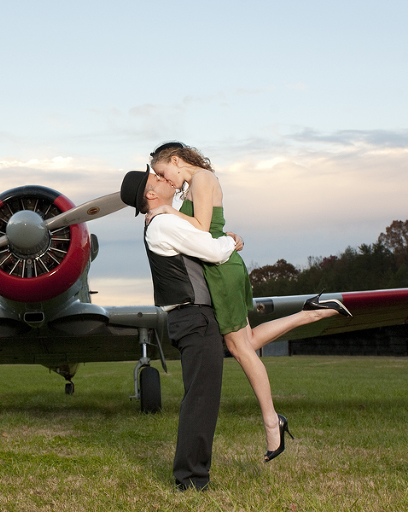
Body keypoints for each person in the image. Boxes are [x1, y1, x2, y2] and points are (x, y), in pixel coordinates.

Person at [147, 141, 352, 462]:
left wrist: (168, 211)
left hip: (221, 270)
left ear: (175, 160)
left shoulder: (201, 179)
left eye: (162, 172)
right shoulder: (193, 184)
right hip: (217, 268)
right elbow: (206, 229)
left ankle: (273, 424)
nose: (165, 180)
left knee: (242, 350)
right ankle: (310, 313)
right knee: (247, 341)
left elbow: (202, 228)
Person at [121, 168, 238, 490]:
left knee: (200, 398)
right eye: (156, 179)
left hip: (191, 317)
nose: (164, 178)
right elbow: (214, 251)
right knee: (201, 400)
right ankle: (190, 479)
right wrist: (232, 241)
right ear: (150, 195)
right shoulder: (164, 223)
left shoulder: (165, 220)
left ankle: (191, 475)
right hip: (195, 317)